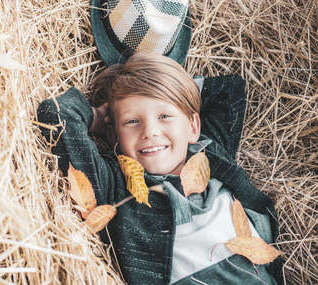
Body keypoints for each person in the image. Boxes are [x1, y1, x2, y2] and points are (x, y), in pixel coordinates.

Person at [37, 53, 283, 284]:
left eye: (165, 116)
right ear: (115, 135)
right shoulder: (116, 186)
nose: (150, 132)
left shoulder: (210, 151)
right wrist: (99, 118)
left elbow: (230, 90)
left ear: (192, 126)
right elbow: (56, 114)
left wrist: (162, 78)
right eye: (132, 121)